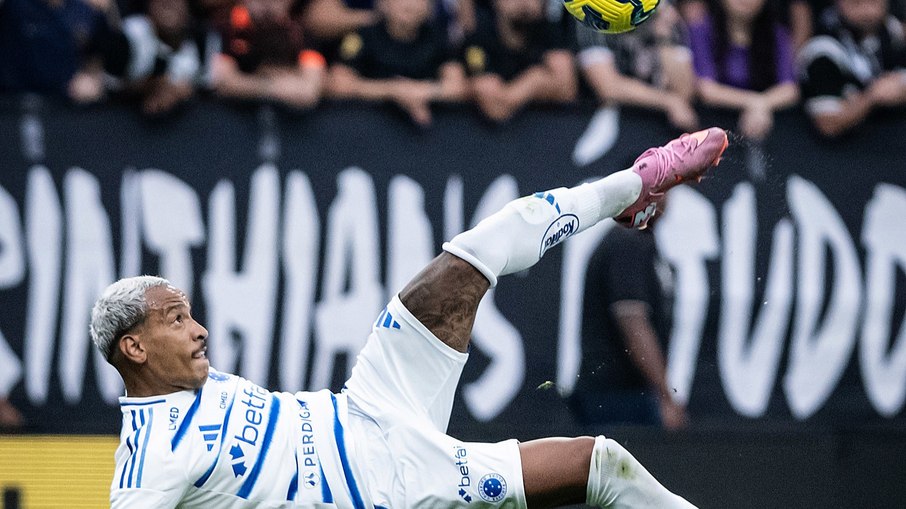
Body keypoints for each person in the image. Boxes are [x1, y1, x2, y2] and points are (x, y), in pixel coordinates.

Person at [91, 127, 729, 508]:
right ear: (134, 350)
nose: (198, 329)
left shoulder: (194, 384)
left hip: (365, 405)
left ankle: (637, 184)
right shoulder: (149, 461)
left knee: (469, 257)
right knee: (601, 464)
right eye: (175, 320)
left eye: (190, 314)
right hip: (387, 487)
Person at [569, 199, 687, 430]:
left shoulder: (636, 242)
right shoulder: (627, 243)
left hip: (616, 396)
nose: (665, 198)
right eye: (657, 188)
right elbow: (633, 324)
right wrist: (665, 396)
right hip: (619, 399)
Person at [326, 0, 468, 126]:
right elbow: (338, 84)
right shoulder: (363, 35)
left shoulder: (439, 38)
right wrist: (391, 89)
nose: (410, 4)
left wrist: (422, 91)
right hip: (365, 126)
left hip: (429, 135)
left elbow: (457, 86)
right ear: (383, 4)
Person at [576, 1, 699, 132]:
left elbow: (685, 91)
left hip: (660, 126)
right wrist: (668, 101)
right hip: (611, 121)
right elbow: (607, 87)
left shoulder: (664, 15)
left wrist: (664, 38)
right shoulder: (596, 13)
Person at [687, 0, 799, 141]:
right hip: (711, 127)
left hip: (767, 130)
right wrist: (755, 103)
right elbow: (706, 88)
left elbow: (789, 88)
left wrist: (761, 105)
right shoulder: (701, 29)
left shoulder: (777, 34)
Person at [798, 0, 906, 138]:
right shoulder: (822, 49)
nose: (867, 11)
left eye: (873, 3)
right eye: (857, 3)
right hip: (845, 153)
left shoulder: (895, 30)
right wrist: (872, 98)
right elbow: (827, 124)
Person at [460, 0, 577, 122]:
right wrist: (537, 78)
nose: (524, 3)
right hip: (488, 134)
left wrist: (513, 92)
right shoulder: (479, 38)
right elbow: (493, 104)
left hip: (546, 130)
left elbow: (566, 88)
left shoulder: (548, 30)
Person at [212, 0, 326, 109]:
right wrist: (270, 87)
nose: (267, 4)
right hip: (233, 119)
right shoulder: (227, 29)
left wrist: (248, 84)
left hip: (289, 122)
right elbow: (223, 81)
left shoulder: (302, 33)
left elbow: (310, 89)